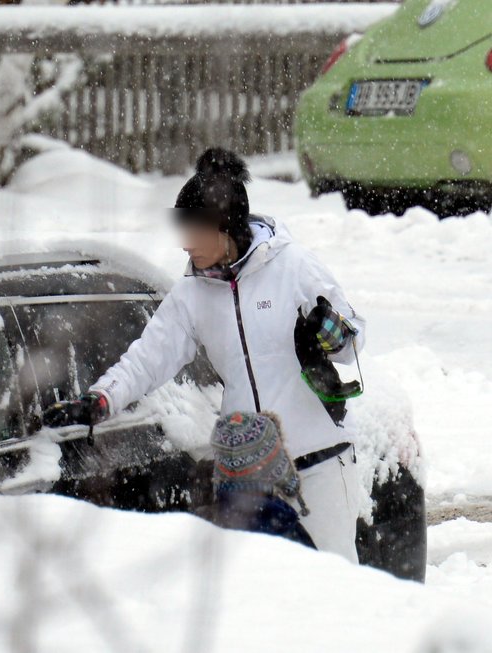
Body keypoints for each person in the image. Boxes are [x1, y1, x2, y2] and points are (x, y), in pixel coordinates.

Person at [43, 147, 366, 563]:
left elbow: (353, 343)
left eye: (193, 232)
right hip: (250, 472)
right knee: (260, 593)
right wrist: (101, 399)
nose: (184, 245)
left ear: (224, 227)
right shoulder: (193, 294)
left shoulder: (295, 267)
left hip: (321, 460)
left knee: (333, 582)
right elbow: (147, 357)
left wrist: (330, 333)